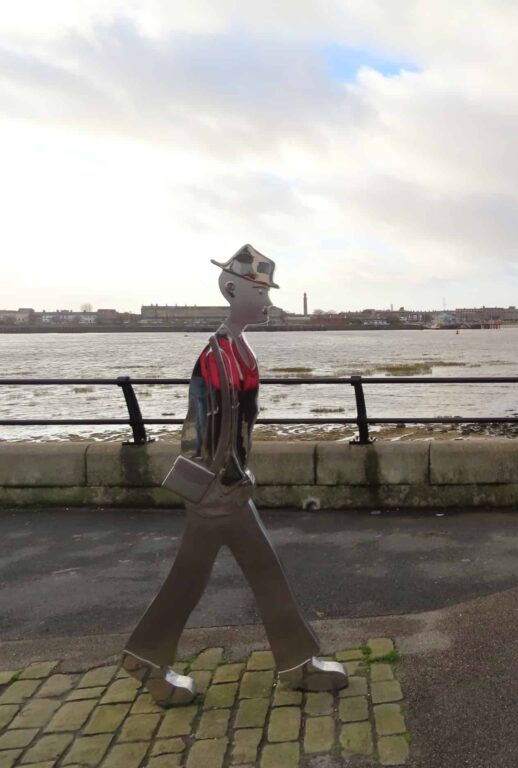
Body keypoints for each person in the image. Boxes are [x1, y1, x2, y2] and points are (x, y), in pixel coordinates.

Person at [122, 244, 347, 705]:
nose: (267, 302)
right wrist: (226, 477)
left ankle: (147, 659)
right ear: (231, 290)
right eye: (259, 292)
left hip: (222, 484)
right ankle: (297, 665)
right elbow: (207, 424)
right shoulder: (218, 354)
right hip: (217, 489)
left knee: (199, 578)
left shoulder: (236, 349)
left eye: (267, 293)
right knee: (258, 573)